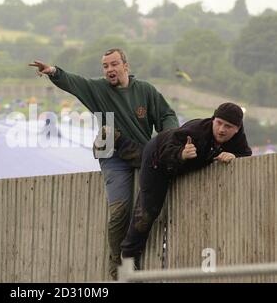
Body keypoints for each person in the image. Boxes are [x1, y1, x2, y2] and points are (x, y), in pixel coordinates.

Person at [29, 48, 179, 280]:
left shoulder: (145, 91)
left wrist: (169, 137)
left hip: (140, 151)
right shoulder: (99, 89)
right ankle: (118, 264)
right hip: (112, 153)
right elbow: (74, 82)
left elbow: (166, 115)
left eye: (114, 64)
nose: (109, 69)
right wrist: (53, 72)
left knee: (149, 207)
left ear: (126, 66)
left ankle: (140, 256)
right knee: (119, 211)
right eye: (105, 66)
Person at [120, 102, 252, 269]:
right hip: (158, 157)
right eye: (218, 123)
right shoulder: (196, 131)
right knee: (148, 211)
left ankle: (122, 144)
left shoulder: (238, 139)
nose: (221, 129)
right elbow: (165, 152)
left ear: (237, 129)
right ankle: (128, 257)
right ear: (213, 120)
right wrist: (180, 154)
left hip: (182, 167)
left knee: (136, 155)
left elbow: (246, 155)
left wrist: (234, 156)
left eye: (228, 126)